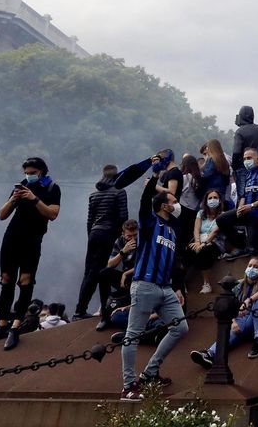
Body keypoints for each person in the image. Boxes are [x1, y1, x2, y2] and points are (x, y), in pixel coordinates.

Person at [121, 150, 189, 403]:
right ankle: (128, 385)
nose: (175, 204)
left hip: (166, 288)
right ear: (163, 206)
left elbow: (174, 264)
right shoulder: (149, 223)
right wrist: (153, 176)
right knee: (133, 335)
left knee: (180, 327)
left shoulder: (171, 231)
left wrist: (179, 288)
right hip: (145, 286)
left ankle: (150, 372)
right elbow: (144, 201)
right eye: (171, 202)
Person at [0, 157, 61, 351]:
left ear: (42, 171)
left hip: (32, 240)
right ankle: (1, 325)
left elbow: (52, 214)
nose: (29, 175)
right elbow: (2, 215)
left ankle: (16, 327)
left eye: (33, 172)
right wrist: (14, 199)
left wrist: (34, 199)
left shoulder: (52, 188)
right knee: (6, 279)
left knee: (25, 281)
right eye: (27, 172)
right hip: (11, 238)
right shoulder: (21, 187)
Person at [191, 256, 258, 367]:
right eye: (250, 265)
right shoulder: (238, 284)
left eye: (255, 266)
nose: (251, 268)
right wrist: (233, 322)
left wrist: (249, 300)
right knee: (233, 331)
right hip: (242, 320)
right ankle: (209, 354)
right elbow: (229, 305)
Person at [74, 164, 130, 321]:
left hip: (93, 234)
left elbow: (89, 220)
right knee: (103, 272)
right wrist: (121, 238)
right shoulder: (119, 192)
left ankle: (81, 309)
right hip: (109, 234)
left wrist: (91, 236)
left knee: (89, 272)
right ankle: (96, 309)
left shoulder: (94, 195)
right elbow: (123, 217)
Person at [219, 146, 258, 260]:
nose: (246, 161)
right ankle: (240, 245)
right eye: (244, 159)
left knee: (252, 250)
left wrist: (252, 206)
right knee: (221, 219)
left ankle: (249, 250)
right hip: (246, 213)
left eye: (249, 158)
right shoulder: (248, 175)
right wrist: (240, 209)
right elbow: (243, 196)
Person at [97, 219, 139, 329]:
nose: (133, 239)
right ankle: (105, 317)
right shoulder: (120, 241)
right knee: (104, 273)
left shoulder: (144, 241)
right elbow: (110, 264)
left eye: (135, 235)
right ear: (123, 234)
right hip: (126, 278)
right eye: (129, 236)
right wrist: (122, 252)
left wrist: (125, 274)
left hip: (140, 276)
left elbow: (146, 264)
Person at [182, 190, 226, 294]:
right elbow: (196, 229)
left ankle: (206, 284)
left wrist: (204, 244)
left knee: (204, 251)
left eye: (215, 198)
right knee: (188, 250)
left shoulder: (223, 215)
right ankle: (181, 283)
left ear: (220, 201)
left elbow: (215, 231)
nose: (212, 200)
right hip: (200, 240)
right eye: (210, 198)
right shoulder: (201, 213)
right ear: (205, 201)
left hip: (215, 242)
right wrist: (197, 242)